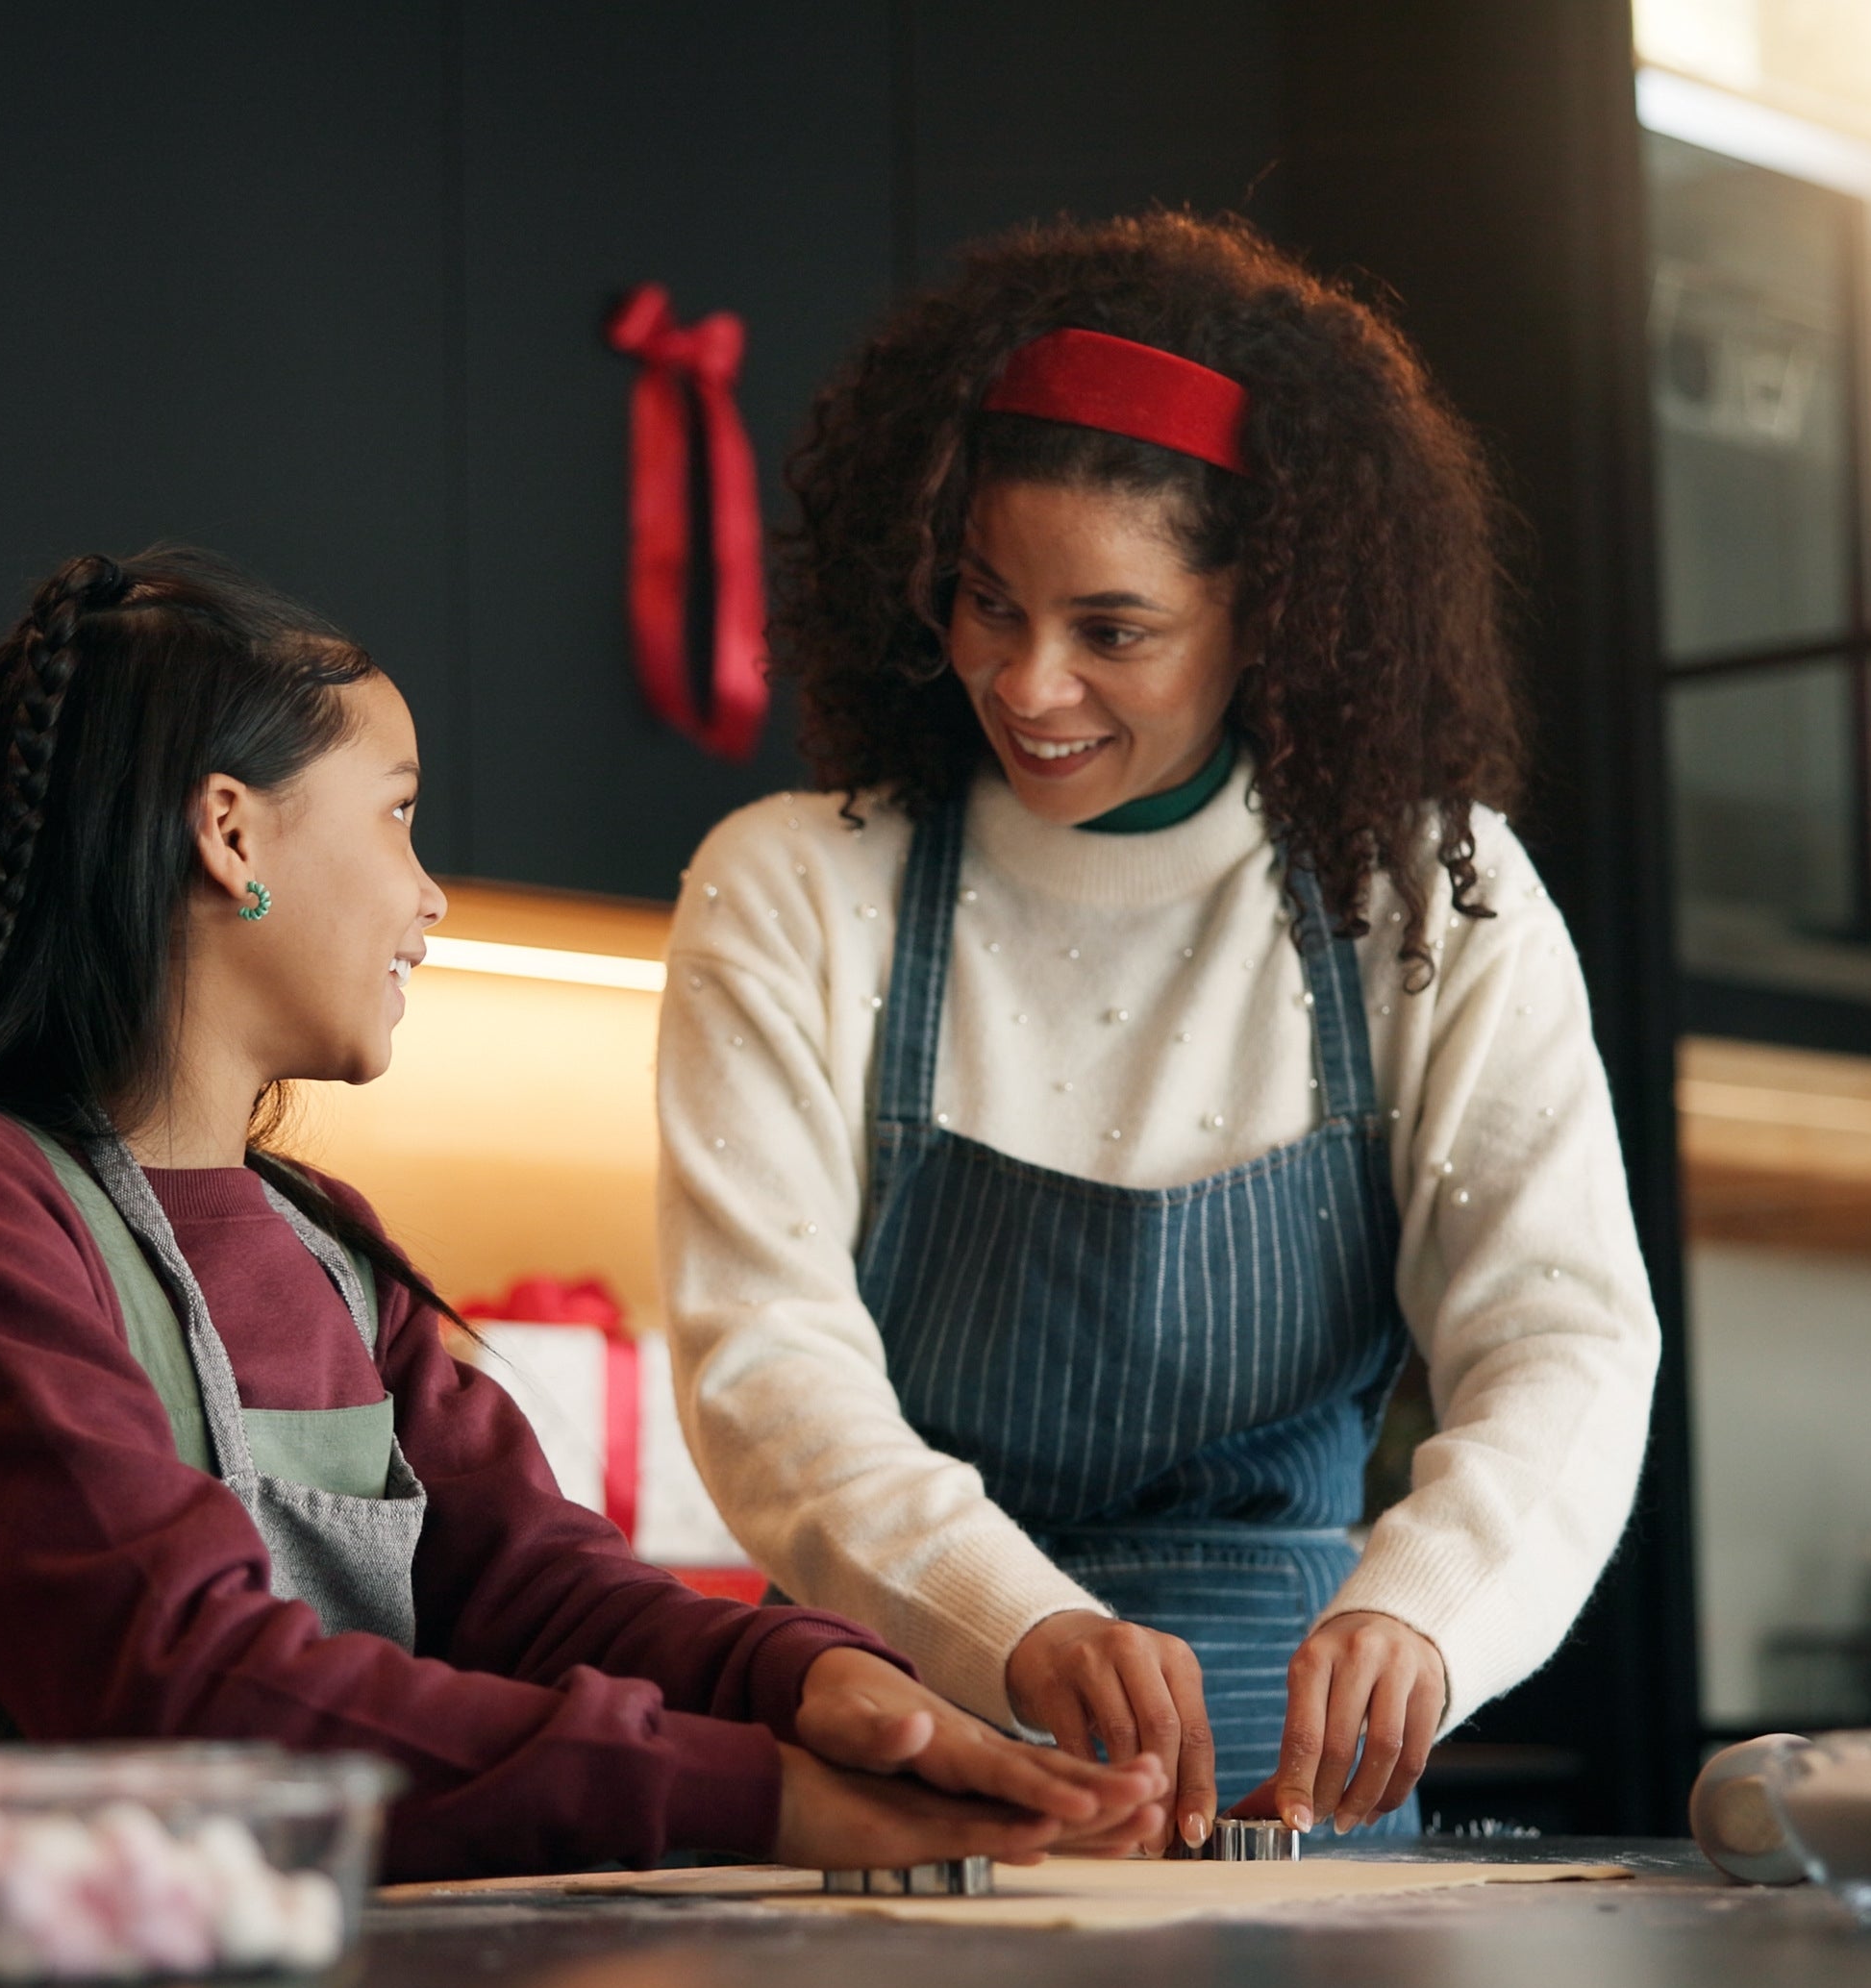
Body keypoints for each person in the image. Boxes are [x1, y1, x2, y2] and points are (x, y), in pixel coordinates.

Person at [0, 548, 1162, 1879]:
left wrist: (800, 1681)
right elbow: (184, 1692)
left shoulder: (329, 1251)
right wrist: (756, 1793)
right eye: (400, 816)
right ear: (229, 833)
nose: (431, 896)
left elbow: (539, 1591)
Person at [657, 214, 1659, 1853]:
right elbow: (767, 1363)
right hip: (916, 1749)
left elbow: (1564, 1337)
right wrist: (1015, 1625)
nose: (1027, 683)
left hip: (1299, 1789)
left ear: (1270, 616)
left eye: (1111, 632)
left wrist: (1428, 1610)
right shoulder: (791, 888)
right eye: (987, 603)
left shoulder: (1427, 894)